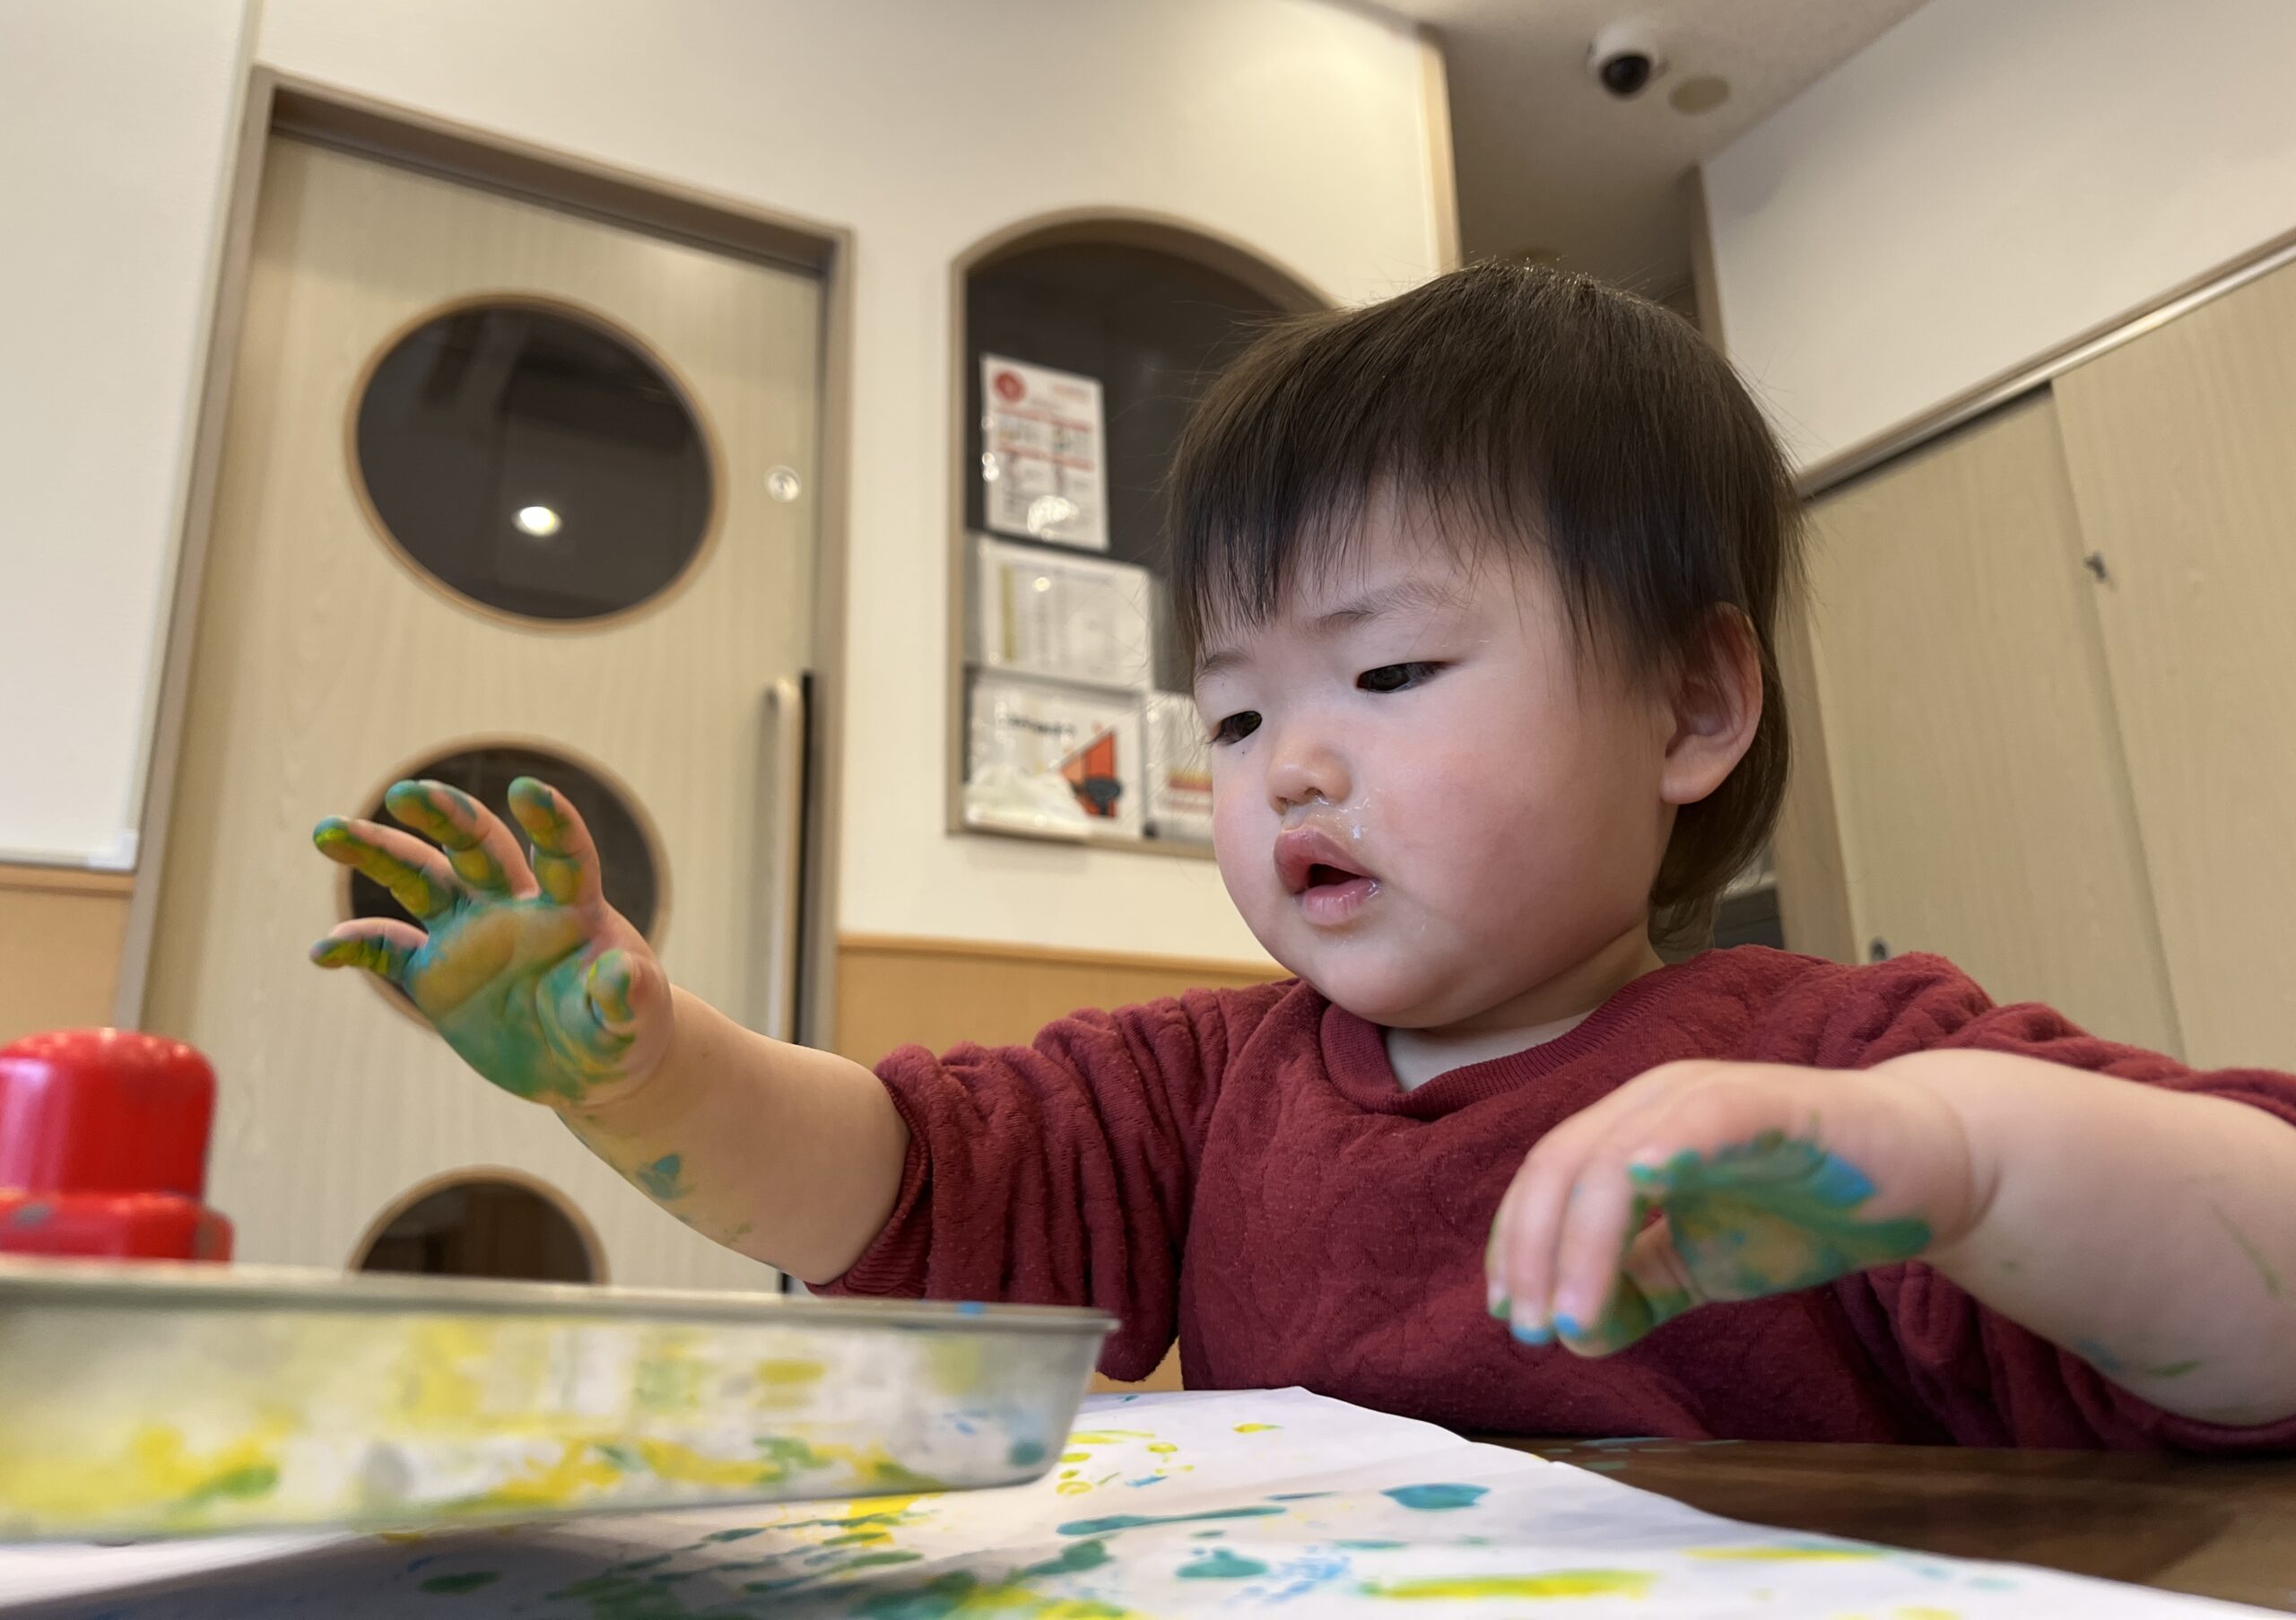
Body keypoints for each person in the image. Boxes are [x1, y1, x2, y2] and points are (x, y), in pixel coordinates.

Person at [310, 262, 2296, 1448]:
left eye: (1394, 666)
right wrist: (641, 1066)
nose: (1286, 770)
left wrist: (1962, 1167)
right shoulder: (1207, 1091)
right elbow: (908, 1190)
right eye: (1238, 715)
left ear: (1694, 706)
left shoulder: (1836, 1080)